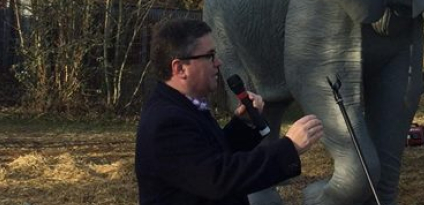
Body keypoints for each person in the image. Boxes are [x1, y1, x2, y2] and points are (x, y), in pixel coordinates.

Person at [135, 18, 323, 205]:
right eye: (209, 55)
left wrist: (244, 125)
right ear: (180, 68)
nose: (218, 62)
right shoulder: (166, 122)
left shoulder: (182, 106)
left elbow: (207, 157)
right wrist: (289, 148)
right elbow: (218, 179)